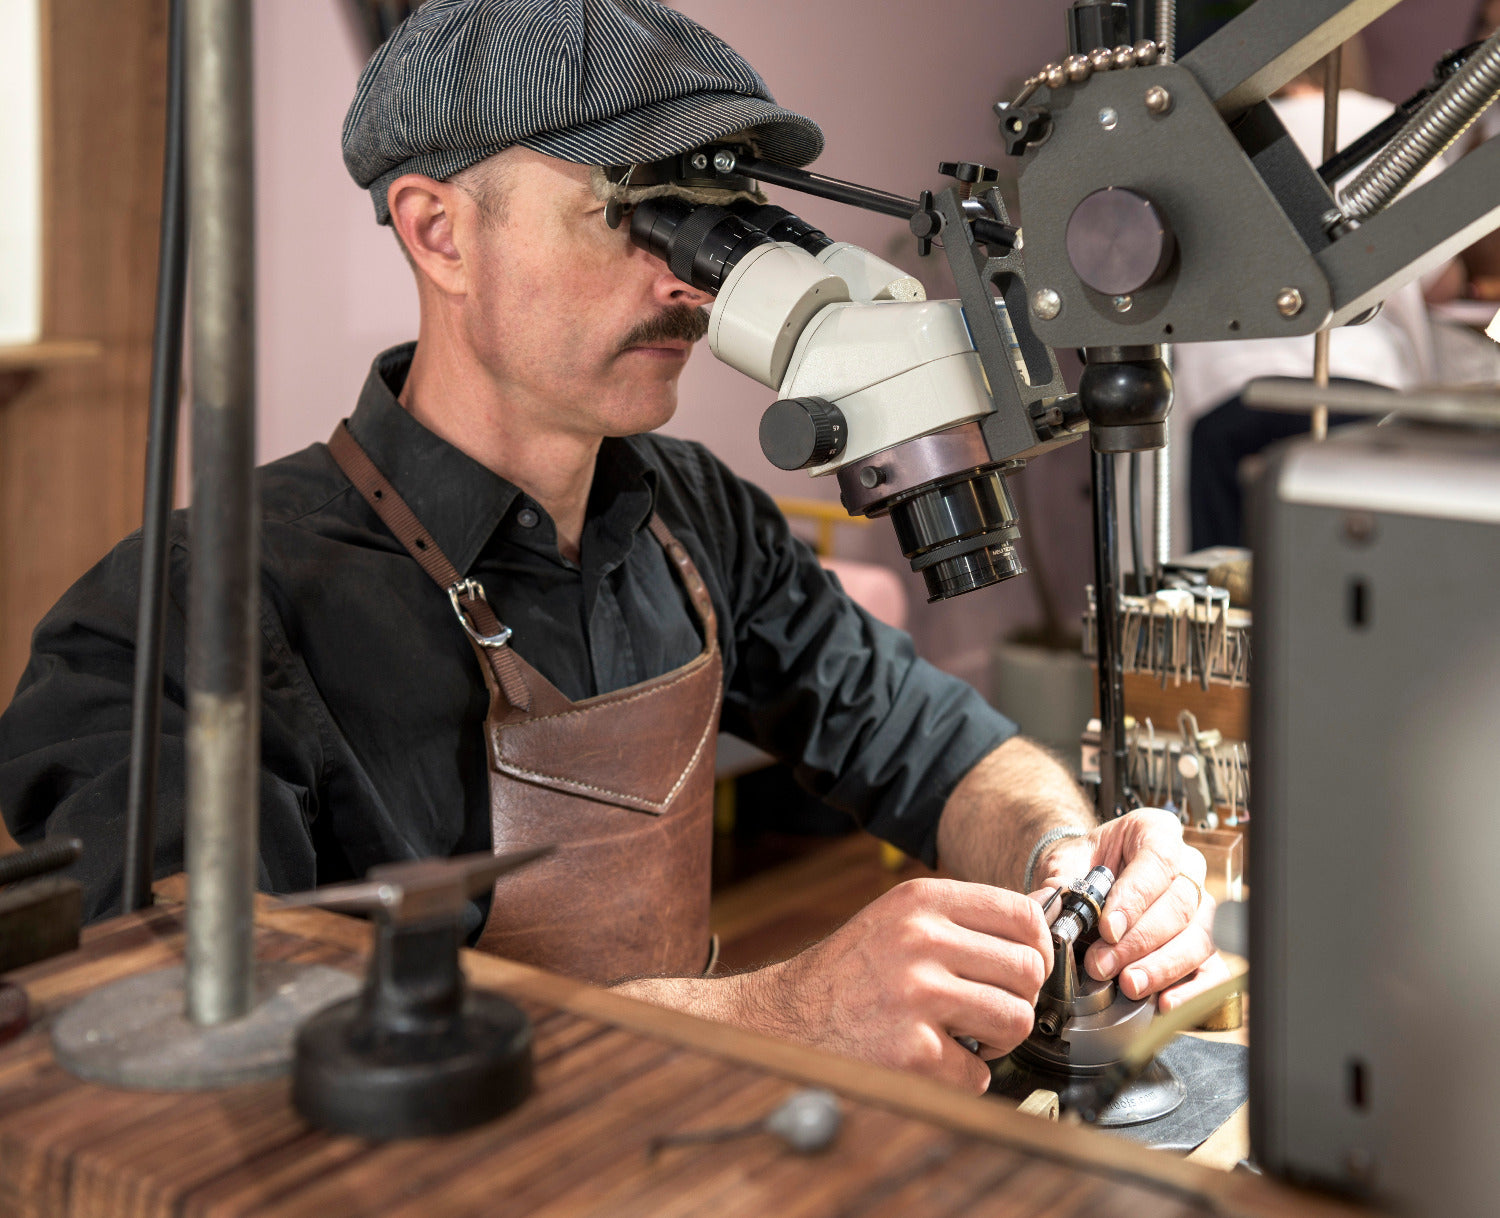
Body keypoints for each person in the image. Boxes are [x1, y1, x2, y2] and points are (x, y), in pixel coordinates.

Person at [0, 0, 1219, 1093]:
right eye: (640, 213)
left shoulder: (695, 515)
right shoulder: (179, 618)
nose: (691, 284)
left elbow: (951, 757)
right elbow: (226, 1063)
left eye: (716, 224)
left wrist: (1072, 860)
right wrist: (776, 1018)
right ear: (438, 233)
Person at [1169, 61, 1440, 549]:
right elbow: (1438, 272)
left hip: (1229, 403)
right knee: (1373, 571)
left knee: (1220, 588)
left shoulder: (1202, 142)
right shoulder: (1392, 123)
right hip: (1360, 392)